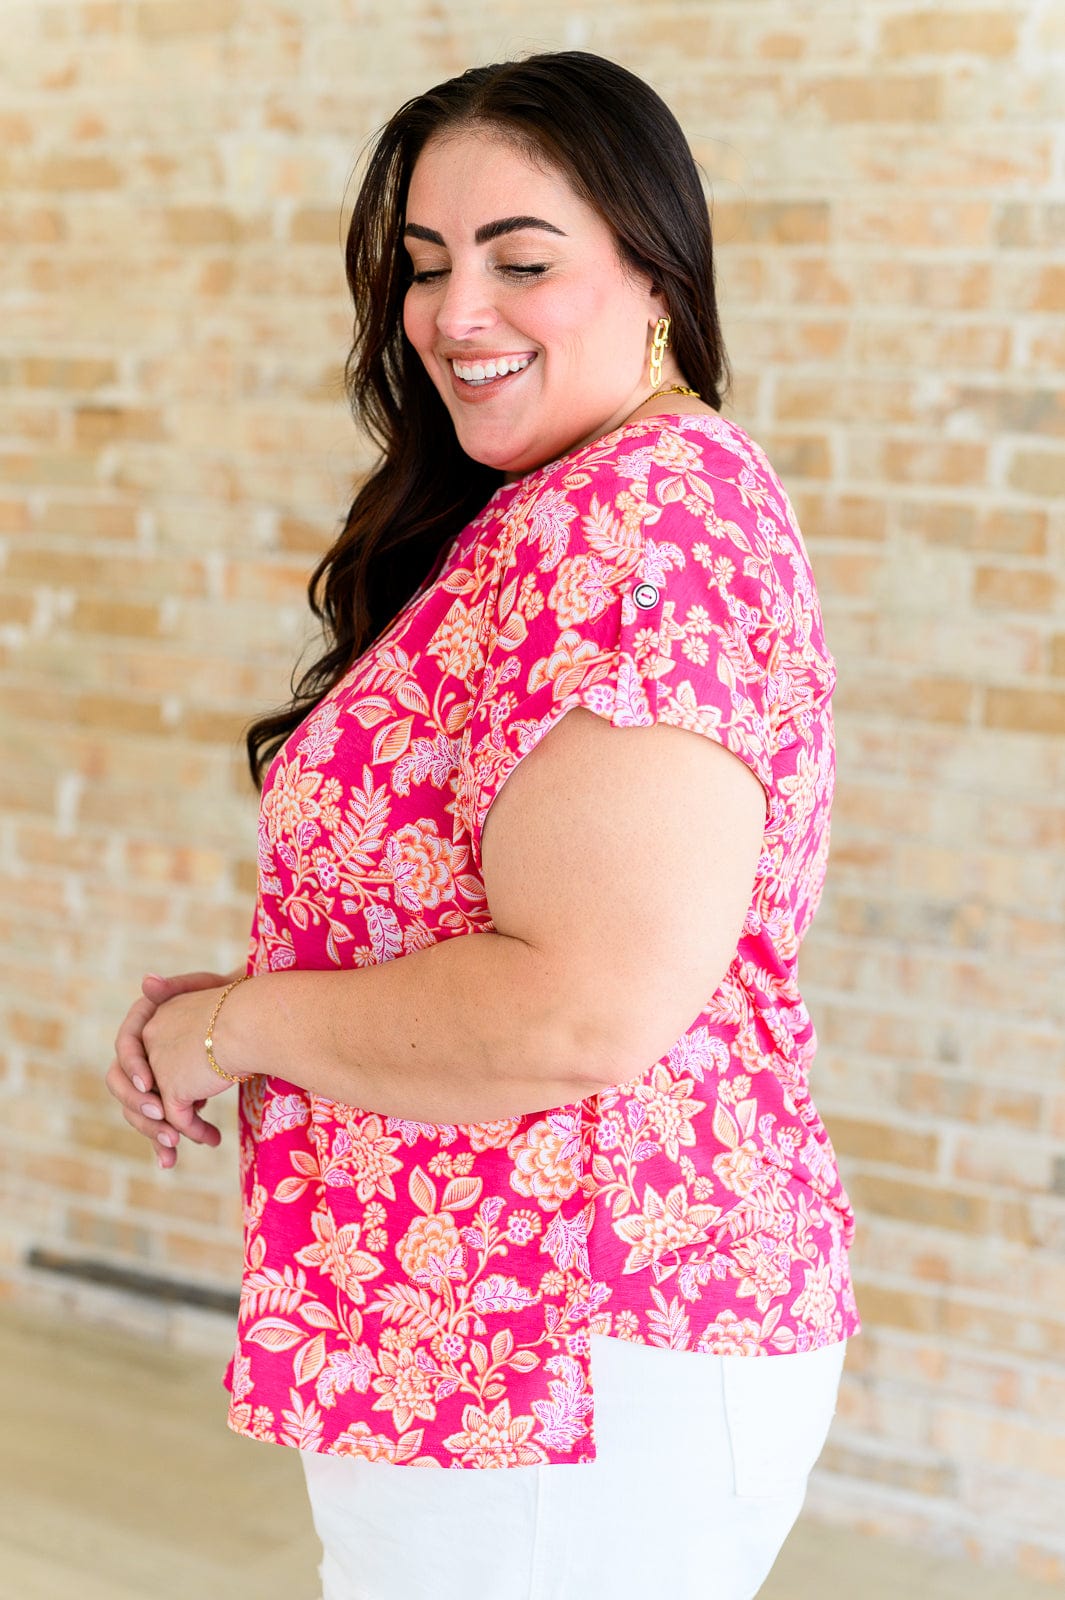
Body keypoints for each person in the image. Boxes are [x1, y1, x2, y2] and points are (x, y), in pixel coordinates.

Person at [107, 50, 860, 1600]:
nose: (456, 313)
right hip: (486, 1329)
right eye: (423, 266)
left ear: (657, 273)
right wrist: (273, 996)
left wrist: (241, 1030)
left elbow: (576, 1008)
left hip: (571, 1346)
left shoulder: (645, 522)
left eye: (522, 260)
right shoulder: (563, 503)